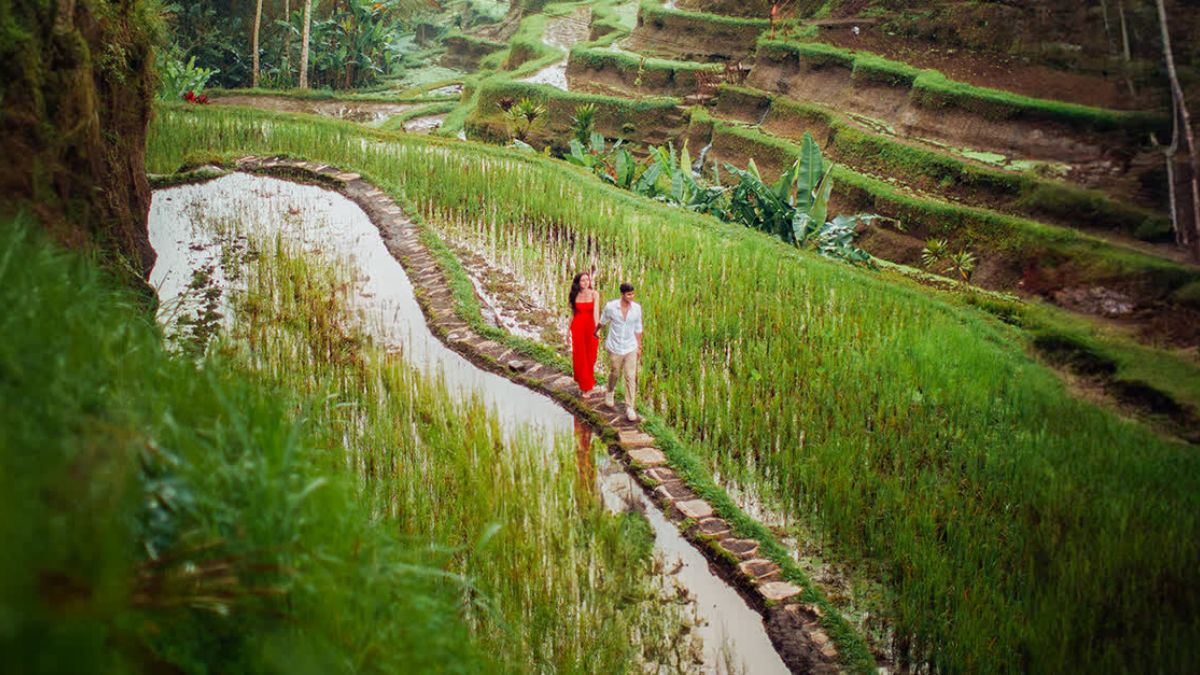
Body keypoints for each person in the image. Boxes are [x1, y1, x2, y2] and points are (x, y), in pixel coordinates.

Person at [595, 282, 643, 422]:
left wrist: (639, 346)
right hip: (615, 346)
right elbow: (603, 321)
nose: (631, 297)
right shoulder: (611, 307)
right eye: (629, 294)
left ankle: (630, 407)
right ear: (622, 294)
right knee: (615, 372)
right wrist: (596, 331)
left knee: (630, 375)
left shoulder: (636, 309)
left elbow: (638, 328)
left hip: (630, 347)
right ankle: (610, 392)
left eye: (633, 294)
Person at [568, 272, 600, 393]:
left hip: (590, 326)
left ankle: (585, 379)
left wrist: (597, 329)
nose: (586, 283)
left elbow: (596, 312)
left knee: (591, 355)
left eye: (587, 280)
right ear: (578, 282)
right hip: (578, 327)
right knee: (580, 355)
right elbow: (572, 314)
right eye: (582, 280)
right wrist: (567, 332)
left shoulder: (595, 294)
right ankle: (586, 386)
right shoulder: (574, 295)